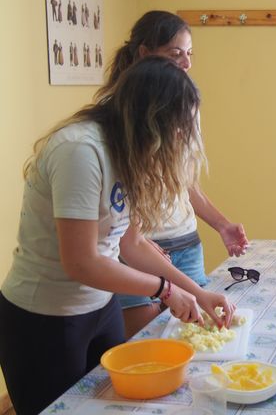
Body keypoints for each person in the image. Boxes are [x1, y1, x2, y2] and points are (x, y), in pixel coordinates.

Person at [0, 57, 236, 415]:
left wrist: (197, 291)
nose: (179, 139)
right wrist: (165, 290)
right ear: (150, 120)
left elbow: (133, 244)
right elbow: (81, 262)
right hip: (44, 319)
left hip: (100, 309)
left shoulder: (129, 152)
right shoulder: (80, 150)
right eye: (176, 128)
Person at [95, 11, 249, 338]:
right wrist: (140, 244)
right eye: (175, 53)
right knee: (147, 344)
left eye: (189, 54)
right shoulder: (116, 117)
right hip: (137, 247)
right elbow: (122, 218)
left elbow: (182, 178)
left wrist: (221, 223)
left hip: (179, 242)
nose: (186, 63)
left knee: (194, 338)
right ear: (144, 54)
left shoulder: (183, 101)